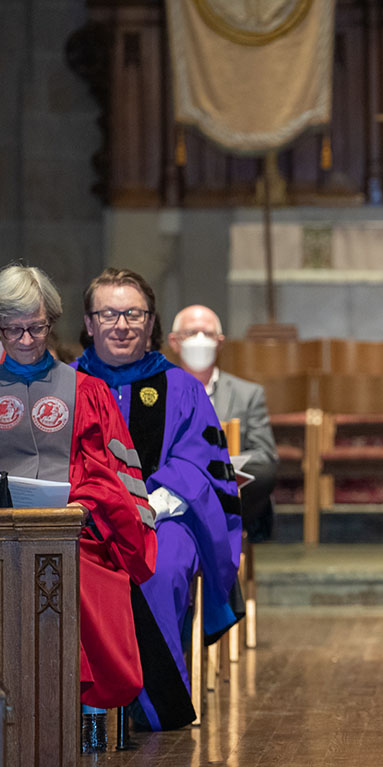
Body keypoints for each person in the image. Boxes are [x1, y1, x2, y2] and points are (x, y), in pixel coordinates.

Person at [74, 268, 242, 731]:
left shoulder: (182, 386)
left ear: (151, 324)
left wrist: (143, 508)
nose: (121, 324)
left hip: (162, 518)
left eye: (133, 313)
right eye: (108, 313)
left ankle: (154, 706)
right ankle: (74, 696)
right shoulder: (66, 385)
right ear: (89, 323)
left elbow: (199, 465)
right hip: (82, 520)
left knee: (161, 566)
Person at [0, 264, 157, 753]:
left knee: (90, 577)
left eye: (38, 326)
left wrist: (82, 506)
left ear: (54, 322)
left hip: (74, 533)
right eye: (13, 328)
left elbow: (110, 477)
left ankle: (90, 721)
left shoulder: (88, 392)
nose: (26, 339)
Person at [170, 305, 279, 541]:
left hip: (229, 495)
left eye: (207, 334)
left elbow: (265, 456)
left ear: (220, 342)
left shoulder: (248, 393)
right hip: (175, 493)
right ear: (174, 342)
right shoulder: (158, 392)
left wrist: (217, 466)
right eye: (190, 333)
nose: (199, 340)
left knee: (264, 472)